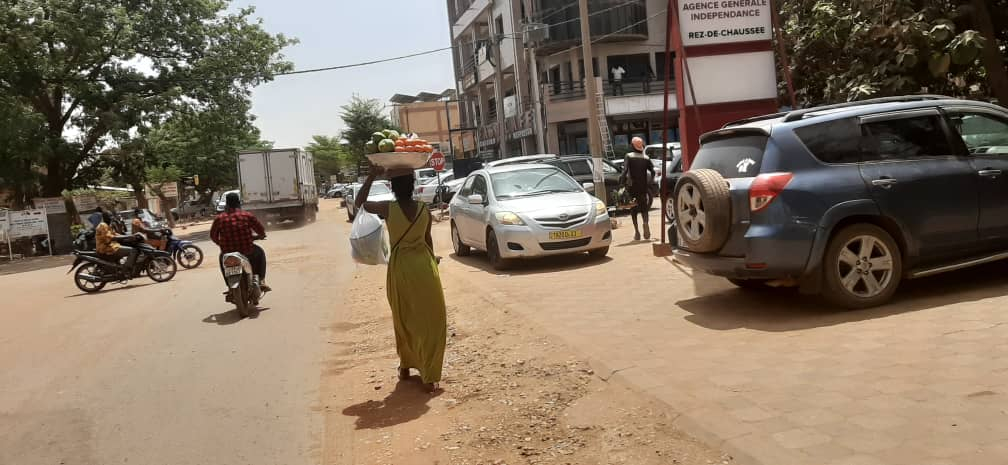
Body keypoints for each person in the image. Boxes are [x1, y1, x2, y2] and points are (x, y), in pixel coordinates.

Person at [355, 165, 447, 393]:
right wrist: (433, 260)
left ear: (392, 187)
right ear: (413, 185)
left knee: (404, 318)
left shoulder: (387, 208)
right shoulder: (424, 209)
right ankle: (430, 375)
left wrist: (372, 174)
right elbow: (427, 241)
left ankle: (406, 366)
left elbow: (359, 203)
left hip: (400, 269)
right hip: (425, 268)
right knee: (431, 321)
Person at [210, 193, 270, 292]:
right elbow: (260, 229)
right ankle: (261, 281)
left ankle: (229, 286)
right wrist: (261, 236)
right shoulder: (246, 215)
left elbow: (213, 236)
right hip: (248, 251)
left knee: (222, 260)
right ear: (238, 203)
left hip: (228, 253)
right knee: (260, 253)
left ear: (227, 204)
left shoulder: (219, 219)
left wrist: (220, 243)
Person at [619, 136, 655, 241]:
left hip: (632, 186)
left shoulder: (628, 156)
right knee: (644, 209)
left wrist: (621, 183)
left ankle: (637, 233)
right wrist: (650, 182)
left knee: (633, 209)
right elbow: (652, 171)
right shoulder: (646, 158)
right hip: (643, 186)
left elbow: (625, 171)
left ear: (632, 146)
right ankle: (645, 223)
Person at [95, 210, 141, 276]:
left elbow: (115, 234)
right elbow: (111, 237)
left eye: (111, 216)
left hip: (111, 246)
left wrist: (128, 236)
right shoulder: (103, 225)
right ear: (105, 217)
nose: (111, 218)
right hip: (105, 248)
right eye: (109, 216)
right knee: (133, 251)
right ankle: (125, 270)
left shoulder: (108, 225)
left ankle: (120, 267)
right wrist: (127, 236)